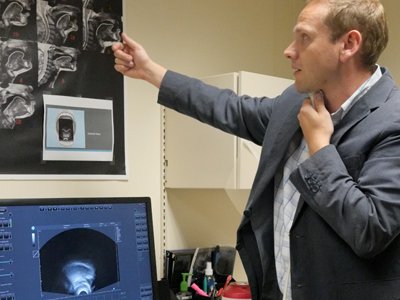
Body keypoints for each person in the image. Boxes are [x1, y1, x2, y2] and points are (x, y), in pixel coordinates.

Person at [113, 0, 400, 299]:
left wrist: (320, 147)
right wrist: (150, 72)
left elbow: (371, 229)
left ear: (348, 44)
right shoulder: (295, 103)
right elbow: (231, 108)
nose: (289, 50)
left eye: (304, 37)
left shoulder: (392, 120)